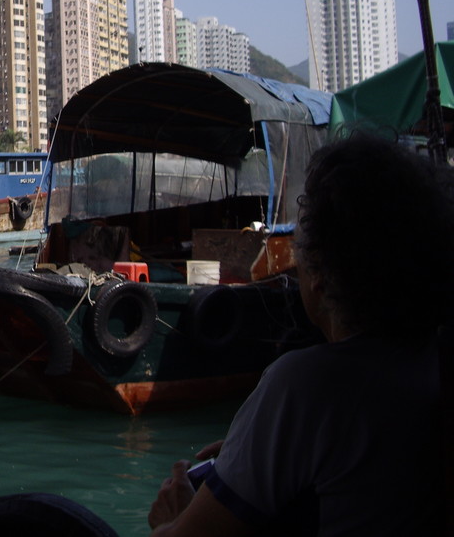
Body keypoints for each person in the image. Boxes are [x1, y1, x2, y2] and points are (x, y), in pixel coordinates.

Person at [148, 133, 451, 536]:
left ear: (321, 279)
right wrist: (259, 453)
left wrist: (172, 516)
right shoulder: (435, 359)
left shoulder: (305, 387)